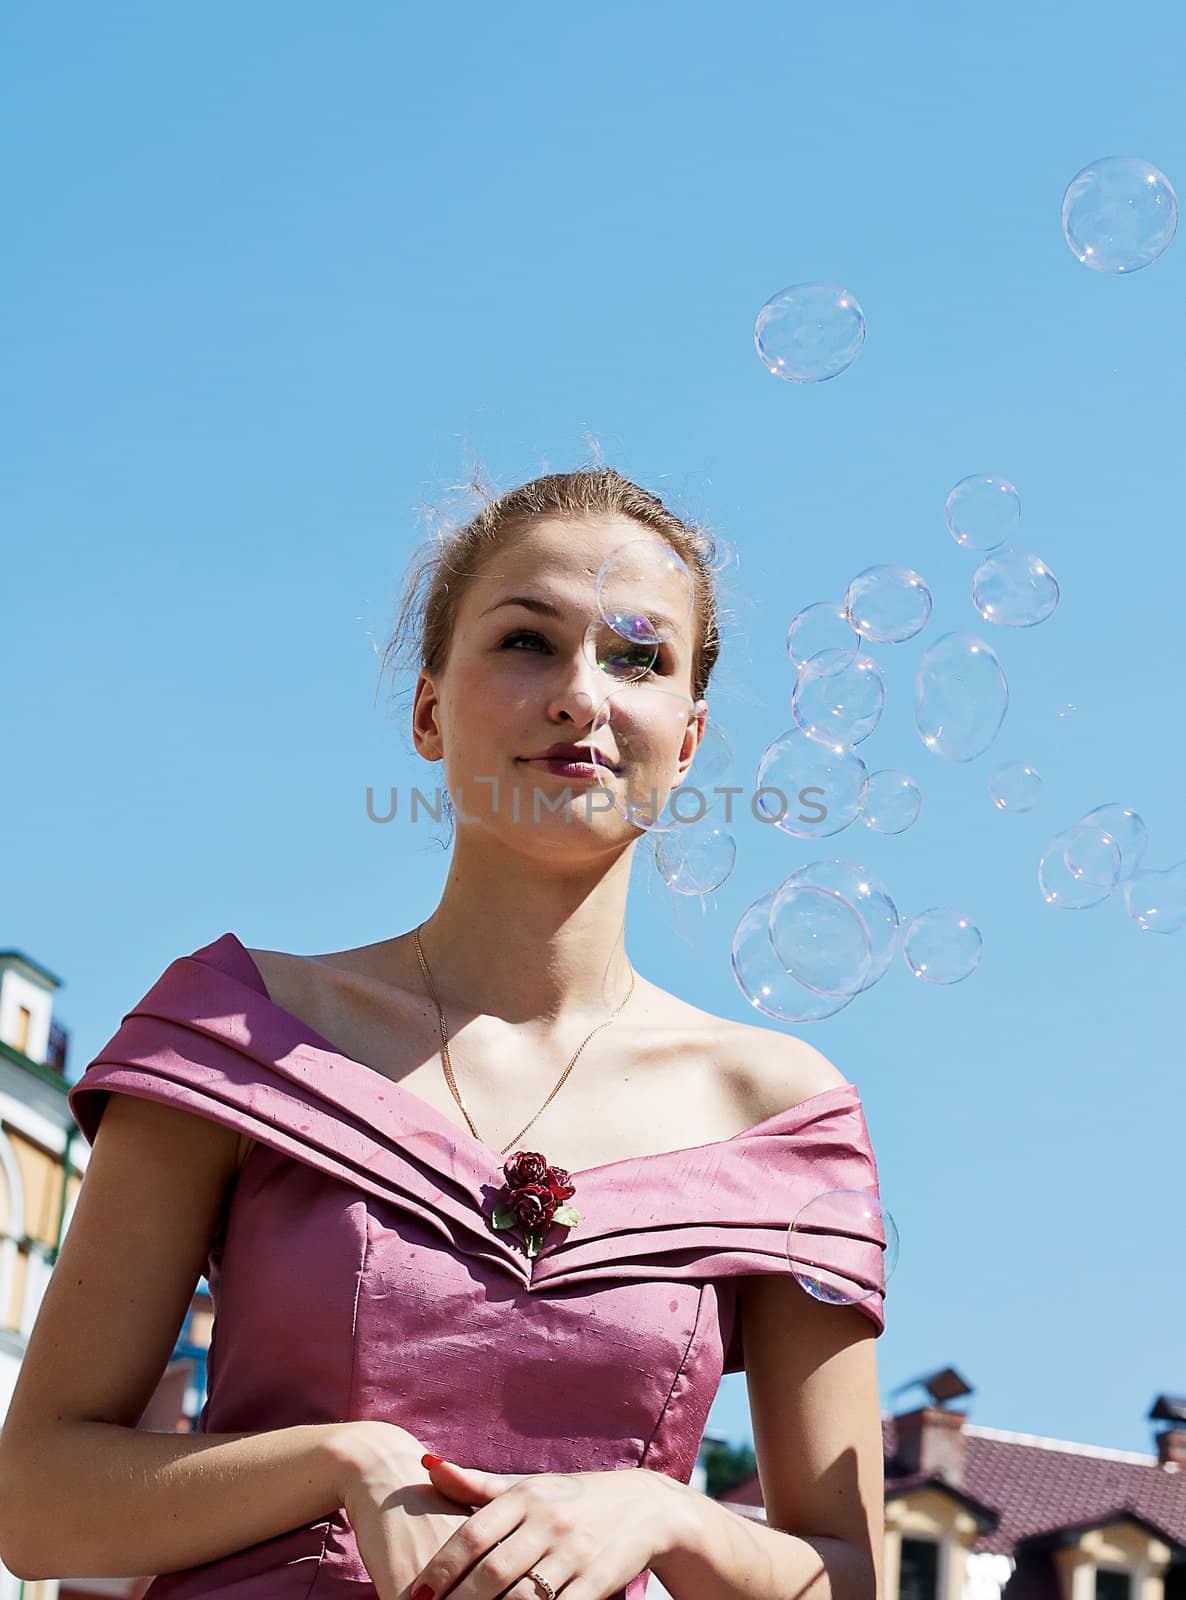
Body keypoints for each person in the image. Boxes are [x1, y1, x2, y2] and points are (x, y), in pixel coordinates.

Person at [0, 466, 888, 1600]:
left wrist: (664, 1512)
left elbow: (850, 1575)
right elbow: (36, 1508)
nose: (582, 696)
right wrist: (347, 1461)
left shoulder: (782, 1117)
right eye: (527, 641)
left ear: (691, 737)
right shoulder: (238, 1032)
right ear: (428, 709)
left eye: (639, 657)